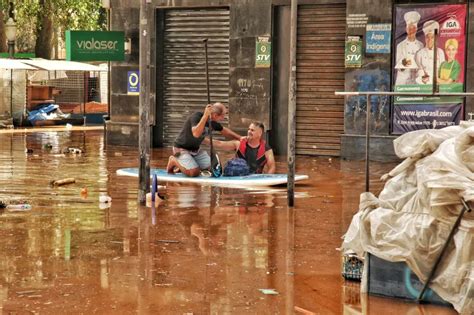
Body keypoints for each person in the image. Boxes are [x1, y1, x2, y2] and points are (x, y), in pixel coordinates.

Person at [166, 102, 242, 177]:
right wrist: (205, 116)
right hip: (181, 149)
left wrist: (240, 138)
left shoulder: (213, 123)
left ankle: (184, 166)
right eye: (223, 115)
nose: (224, 118)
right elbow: (196, 134)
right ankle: (173, 161)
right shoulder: (196, 116)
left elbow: (225, 131)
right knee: (194, 172)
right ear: (215, 115)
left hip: (195, 151)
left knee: (212, 168)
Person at [205, 121, 276, 174]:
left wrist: (266, 178)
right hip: (238, 176)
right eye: (249, 129)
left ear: (260, 133)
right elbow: (219, 144)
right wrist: (202, 140)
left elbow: (272, 167)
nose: (249, 132)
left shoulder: (267, 149)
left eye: (252, 130)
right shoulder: (238, 143)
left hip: (255, 177)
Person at [395, 11, 423, 85]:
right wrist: (404, 63)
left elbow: (422, 64)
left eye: (413, 29)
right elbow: (398, 65)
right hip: (402, 81)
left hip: (416, 80)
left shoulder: (421, 45)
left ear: (416, 29)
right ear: (406, 30)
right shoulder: (400, 46)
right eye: (409, 29)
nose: (411, 31)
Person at [415, 20, 445, 85]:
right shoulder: (419, 53)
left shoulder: (440, 52)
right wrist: (424, 78)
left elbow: (443, 69)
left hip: (438, 84)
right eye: (427, 37)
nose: (429, 40)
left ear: (435, 38)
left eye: (432, 37)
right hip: (424, 85)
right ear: (425, 38)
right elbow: (419, 70)